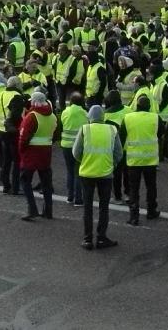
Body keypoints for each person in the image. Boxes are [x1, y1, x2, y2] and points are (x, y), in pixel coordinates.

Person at [73, 105, 123, 250]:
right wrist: (111, 164)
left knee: (87, 207)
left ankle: (87, 239)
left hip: (87, 173)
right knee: (104, 207)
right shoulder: (112, 130)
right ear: (103, 117)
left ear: (89, 117)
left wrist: (86, 161)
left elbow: (76, 152)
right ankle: (101, 238)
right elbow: (119, 153)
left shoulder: (85, 129)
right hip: (106, 174)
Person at [120, 95, 162, 225]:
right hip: (150, 159)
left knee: (134, 189)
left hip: (134, 160)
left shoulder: (128, 118)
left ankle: (134, 216)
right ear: (149, 107)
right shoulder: (155, 117)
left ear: (137, 106)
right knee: (151, 186)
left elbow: (121, 137)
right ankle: (151, 211)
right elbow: (161, 132)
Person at [18, 91, 58, 221]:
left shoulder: (32, 116)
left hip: (31, 153)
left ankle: (32, 209)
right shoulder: (52, 116)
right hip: (46, 153)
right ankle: (48, 211)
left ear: (33, 101)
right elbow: (56, 134)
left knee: (25, 181)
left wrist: (21, 151)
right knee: (46, 183)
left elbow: (23, 138)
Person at [0, 76, 27, 195]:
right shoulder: (17, 96)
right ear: (16, 85)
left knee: (6, 160)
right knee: (17, 161)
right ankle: (16, 187)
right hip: (13, 131)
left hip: (1, 130)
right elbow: (16, 115)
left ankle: (5, 185)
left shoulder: (2, 94)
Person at [59, 92, 88, 205]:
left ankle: (70, 197)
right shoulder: (85, 114)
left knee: (70, 171)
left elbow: (61, 127)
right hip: (79, 147)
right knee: (78, 172)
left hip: (66, 145)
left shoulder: (65, 112)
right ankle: (78, 199)